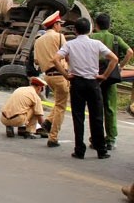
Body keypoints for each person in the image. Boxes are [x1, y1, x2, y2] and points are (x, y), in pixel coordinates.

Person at [52, 17, 118, 160]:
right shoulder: (96, 44)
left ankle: (79, 150)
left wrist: (66, 75)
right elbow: (114, 59)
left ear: (75, 30)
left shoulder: (70, 44)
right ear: (89, 29)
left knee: (78, 117)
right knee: (97, 117)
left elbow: (56, 59)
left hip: (77, 83)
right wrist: (104, 76)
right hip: (93, 83)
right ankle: (101, 150)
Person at [90, 13, 133, 150]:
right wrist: (119, 66)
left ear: (96, 25)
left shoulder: (91, 37)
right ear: (109, 25)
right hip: (110, 77)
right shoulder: (115, 38)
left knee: (95, 108)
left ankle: (95, 139)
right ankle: (111, 139)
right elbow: (130, 52)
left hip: (94, 76)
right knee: (110, 108)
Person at [33, 10, 70, 148]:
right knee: (61, 106)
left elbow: (36, 61)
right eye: (59, 23)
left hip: (48, 77)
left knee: (59, 102)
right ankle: (53, 138)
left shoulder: (38, 41)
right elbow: (67, 55)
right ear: (55, 25)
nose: (60, 26)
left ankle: (48, 122)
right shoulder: (59, 37)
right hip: (61, 75)